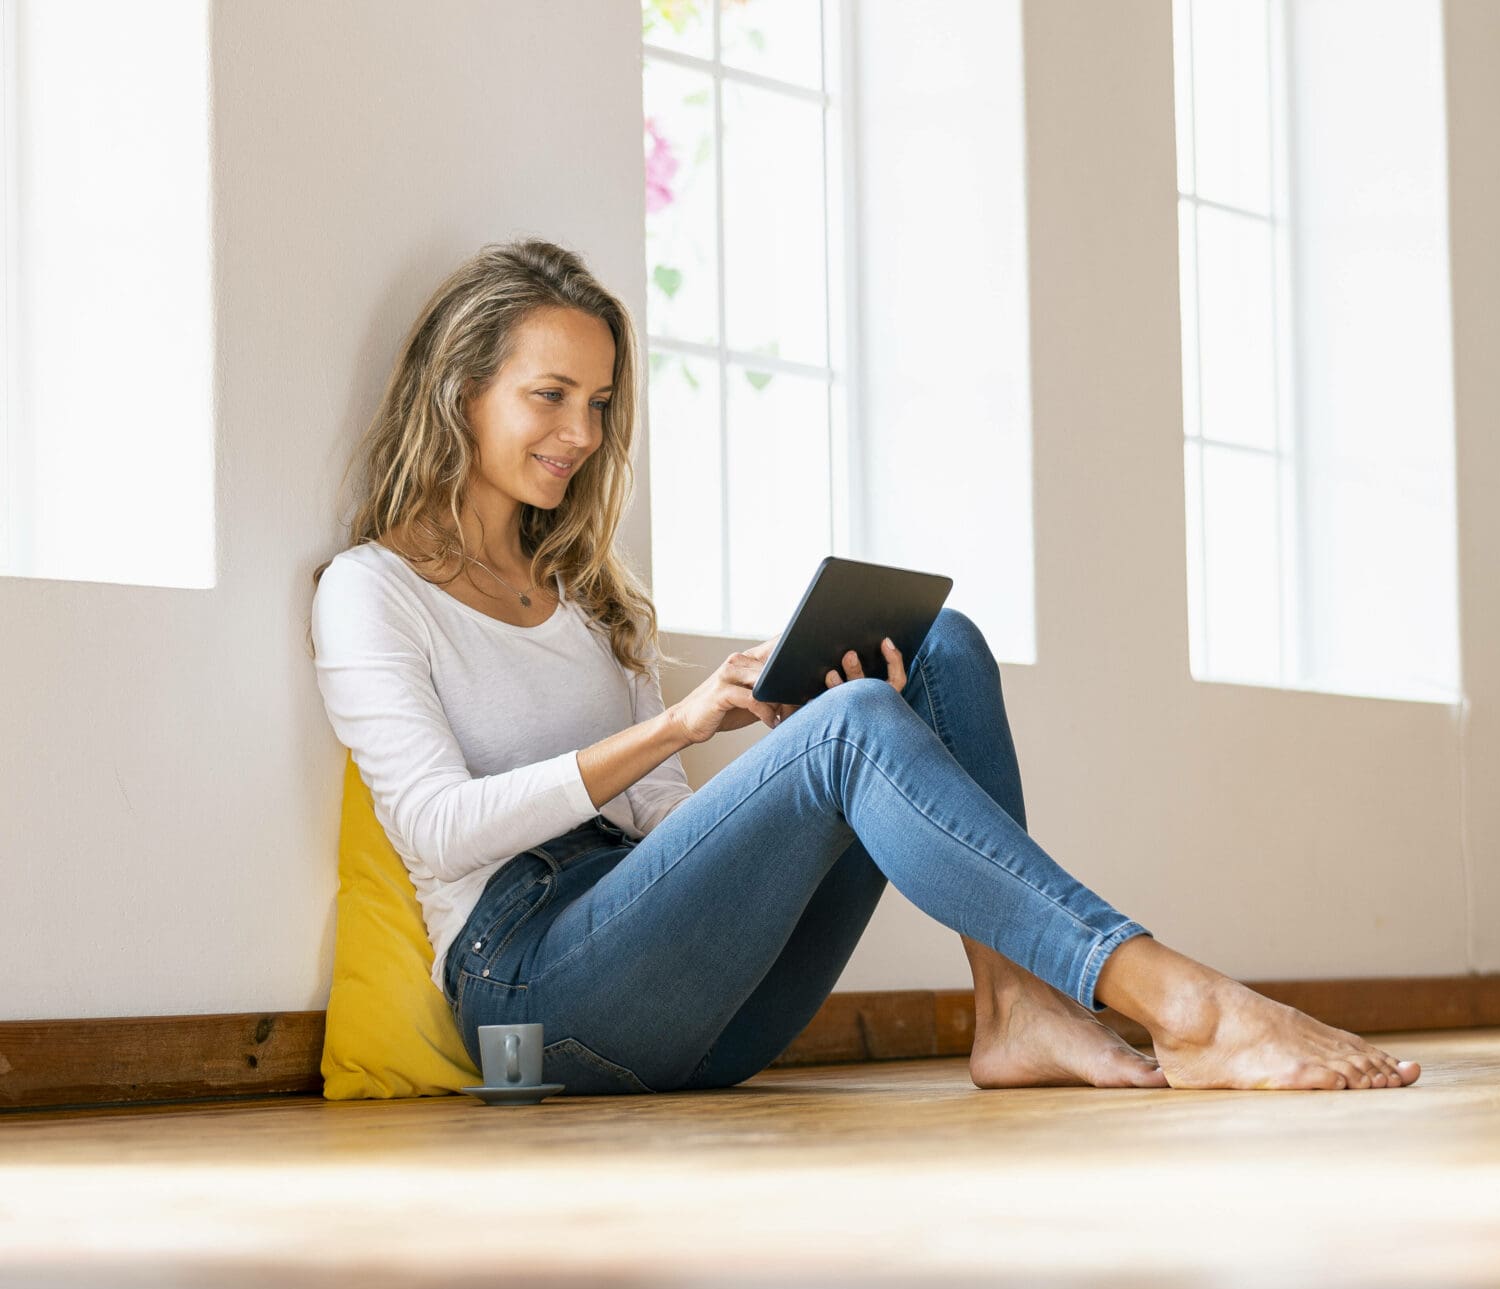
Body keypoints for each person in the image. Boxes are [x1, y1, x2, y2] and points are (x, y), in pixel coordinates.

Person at [308, 238, 1423, 1094]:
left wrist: (773, 767)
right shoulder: (371, 590)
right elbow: (434, 831)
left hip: (689, 995)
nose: (583, 432)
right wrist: (682, 727)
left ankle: (1015, 1008)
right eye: (549, 396)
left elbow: (652, 831)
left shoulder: (588, 599)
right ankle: (1182, 1003)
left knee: (932, 653)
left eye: (598, 404)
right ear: (461, 392)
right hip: (532, 1004)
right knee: (849, 727)